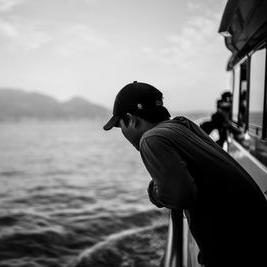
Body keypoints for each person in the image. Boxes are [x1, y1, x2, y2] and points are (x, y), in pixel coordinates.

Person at [103, 81, 267, 266]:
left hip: (238, 250)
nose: (123, 132)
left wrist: (154, 192)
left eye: (120, 126)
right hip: (256, 233)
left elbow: (178, 196)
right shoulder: (183, 125)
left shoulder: (151, 139)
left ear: (131, 119)